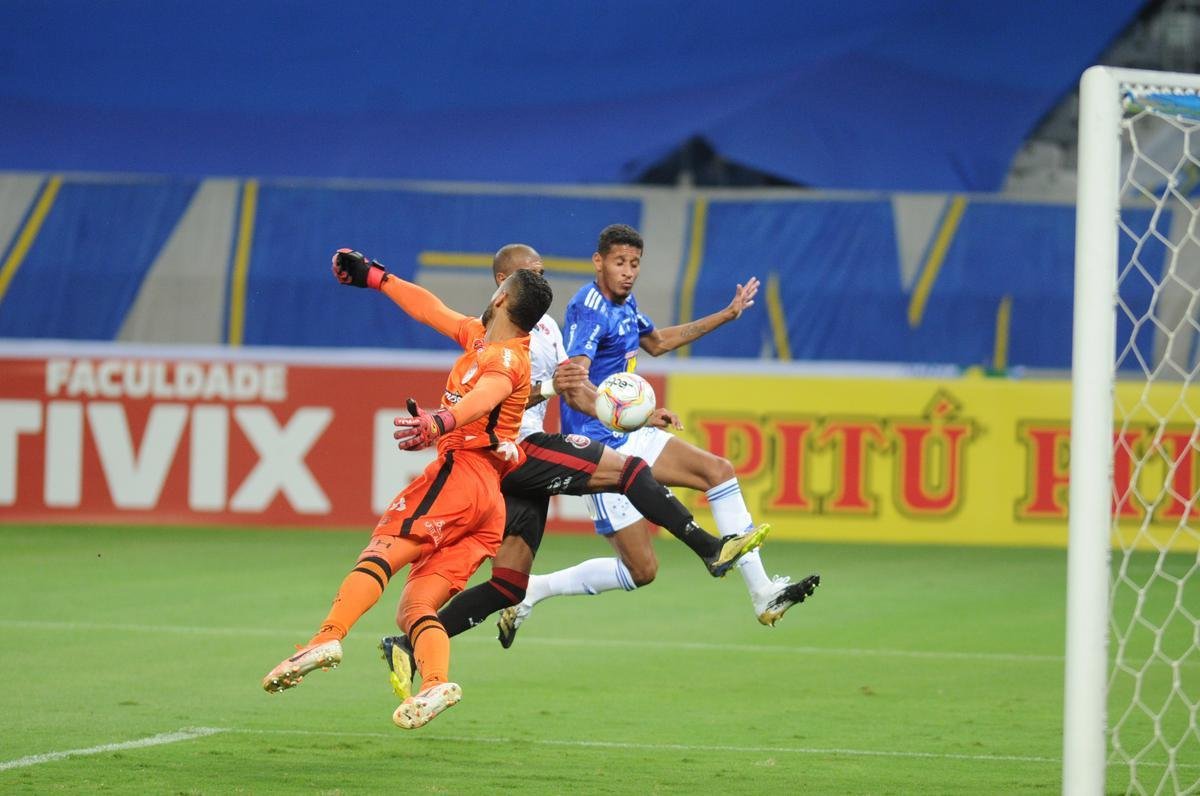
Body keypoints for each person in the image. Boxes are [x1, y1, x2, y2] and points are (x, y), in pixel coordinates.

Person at [379, 244, 767, 700]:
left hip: (519, 462)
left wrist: (633, 415)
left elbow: (577, 394)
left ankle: (406, 645)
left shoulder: (546, 327)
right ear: (503, 284)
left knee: (508, 586)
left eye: (543, 271)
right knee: (628, 470)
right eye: (531, 273)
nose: (541, 279)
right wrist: (376, 277)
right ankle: (710, 550)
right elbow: (492, 399)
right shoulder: (489, 335)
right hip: (513, 451)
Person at [261, 247, 553, 730]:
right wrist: (377, 278)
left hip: (462, 475)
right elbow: (430, 308)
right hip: (488, 506)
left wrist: (441, 420)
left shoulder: (507, 358)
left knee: (382, 550)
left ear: (502, 297)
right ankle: (436, 682)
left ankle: (327, 636)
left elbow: (487, 396)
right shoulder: (483, 340)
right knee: (415, 607)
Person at [497, 224, 819, 646]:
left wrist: (726, 314)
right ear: (599, 262)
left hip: (627, 428)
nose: (628, 272)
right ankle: (533, 591)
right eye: (619, 262)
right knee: (641, 570)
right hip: (599, 446)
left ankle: (762, 593)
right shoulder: (589, 308)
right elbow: (574, 380)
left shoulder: (626, 304)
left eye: (634, 264)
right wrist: (624, 414)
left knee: (718, 470)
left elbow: (658, 341)